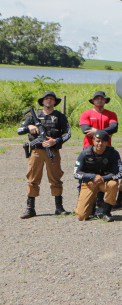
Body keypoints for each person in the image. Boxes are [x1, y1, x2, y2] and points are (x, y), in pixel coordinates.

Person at [18, 91, 72, 219]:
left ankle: (59, 208)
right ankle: (30, 208)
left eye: (51, 99)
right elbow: (19, 130)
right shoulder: (34, 116)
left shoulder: (59, 116)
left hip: (52, 150)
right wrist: (29, 127)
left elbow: (67, 133)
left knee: (56, 178)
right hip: (36, 151)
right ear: (42, 101)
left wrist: (56, 141)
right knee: (32, 178)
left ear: (55, 102)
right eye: (46, 99)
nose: (49, 101)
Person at [73, 130, 121, 222]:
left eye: (103, 141)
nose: (100, 143)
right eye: (98, 141)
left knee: (113, 184)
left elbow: (118, 173)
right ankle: (88, 206)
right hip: (90, 183)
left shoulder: (113, 153)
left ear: (107, 142)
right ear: (93, 141)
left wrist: (102, 178)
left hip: (105, 181)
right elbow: (76, 173)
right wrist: (92, 177)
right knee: (81, 216)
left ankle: (106, 212)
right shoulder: (85, 153)